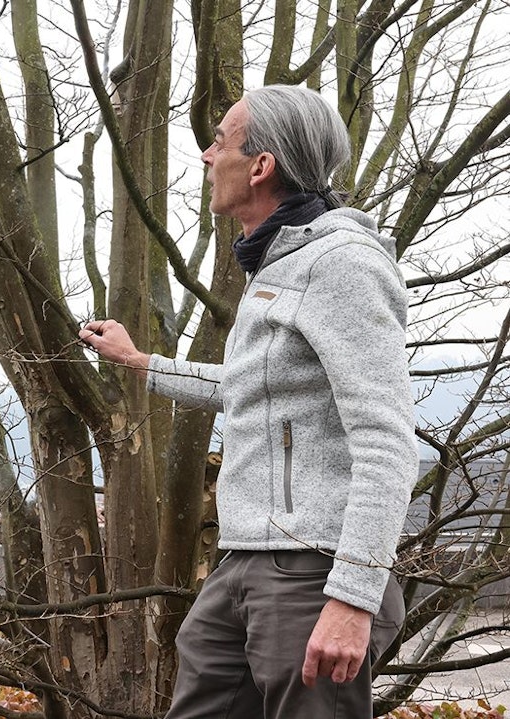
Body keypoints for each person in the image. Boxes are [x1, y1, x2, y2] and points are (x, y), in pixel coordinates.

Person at [80, 85, 418, 717]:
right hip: (243, 561)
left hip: (309, 571)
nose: (208, 156)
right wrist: (140, 363)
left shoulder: (341, 263)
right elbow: (252, 384)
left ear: (262, 166)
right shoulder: (277, 266)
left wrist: (352, 595)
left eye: (221, 142)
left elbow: (389, 439)